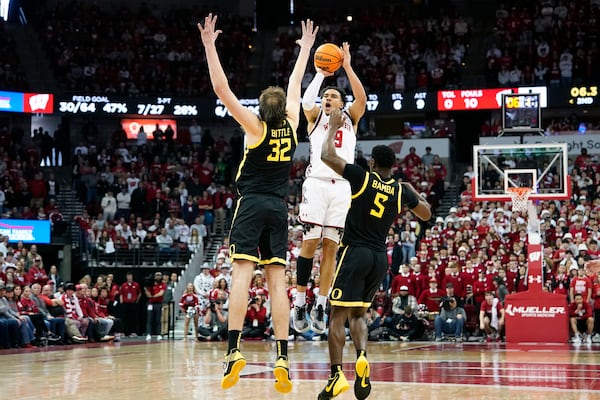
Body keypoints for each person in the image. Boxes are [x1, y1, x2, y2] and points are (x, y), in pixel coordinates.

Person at [198, 14, 318, 393]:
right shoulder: (292, 121)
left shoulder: (255, 126)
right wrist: (304, 51)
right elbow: (296, 83)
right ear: (282, 108)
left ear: (260, 110)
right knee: (277, 283)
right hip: (279, 208)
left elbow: (222, 89)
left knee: (242, 276)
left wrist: (209, 45)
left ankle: (234, 350)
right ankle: (282, 354)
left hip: (250, 204)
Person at [317, 108, 431, 400]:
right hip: (381, 258)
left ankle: (336, 376)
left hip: (355, 252)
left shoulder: (362, 177)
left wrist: (331, 128)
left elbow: (327, 157)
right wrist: (409, 189)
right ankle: (363, 356)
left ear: (372, 162)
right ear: (393, 165)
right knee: (359, 314)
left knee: (336, 316)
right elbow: (427, 214)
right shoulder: (400, 190)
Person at [293, 40, 367, 335]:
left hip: (342, 188)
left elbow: (361, 96)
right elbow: (306, 102)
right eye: (326, 96)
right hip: (317, 184)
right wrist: (322, 73)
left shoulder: (351, 118)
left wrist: (346, 65)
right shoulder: (315, 118)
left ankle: (321, 303)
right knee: (310, 244)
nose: (327, 98)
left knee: (331, 249)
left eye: (333, 96)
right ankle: (300, 300)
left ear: (341, 103)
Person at [145, 271, 166, 341]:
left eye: (159, 275)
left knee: (158, 319)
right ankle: (148, 334)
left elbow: (161, 293)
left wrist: (153, 296)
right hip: (151, 303)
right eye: (157, 275)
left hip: (158, 303)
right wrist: (146, 290)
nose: (158, 276)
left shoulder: (163, 284)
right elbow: (147, 293)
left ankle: (159, 334)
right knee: (149, 319)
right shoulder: (151, 284)